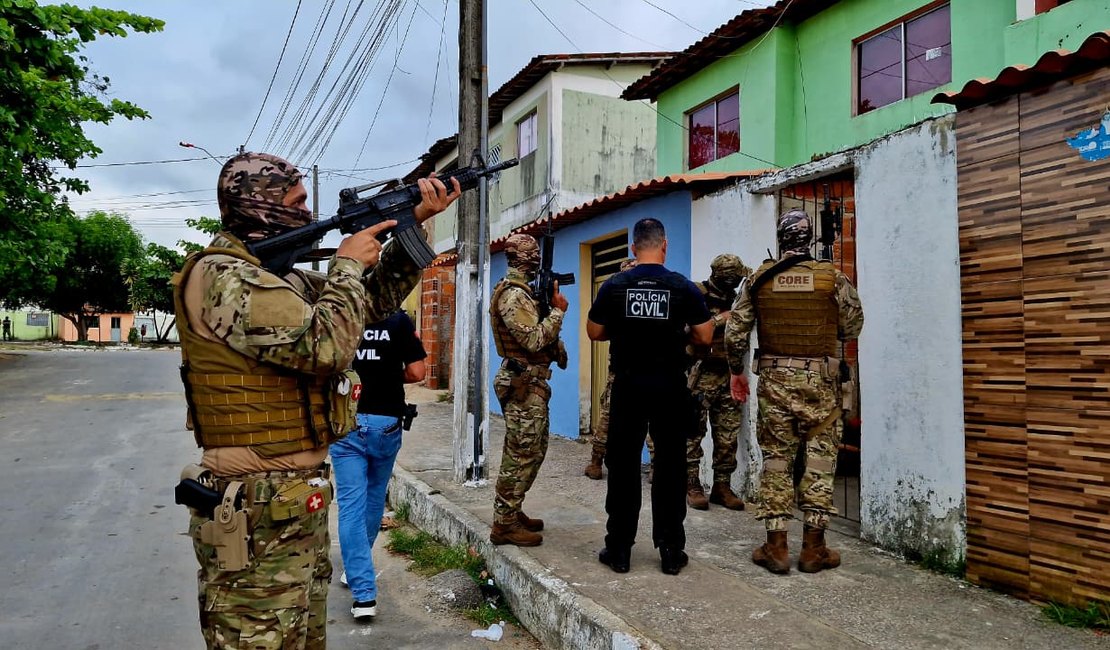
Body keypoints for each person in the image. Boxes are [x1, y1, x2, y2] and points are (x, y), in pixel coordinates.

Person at [173, 151, 459, 649]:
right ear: (258, 205)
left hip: (290, 500)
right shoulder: (222, 275)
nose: (308, 214)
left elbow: (366, 308)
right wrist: (346, 262)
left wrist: (410, 228)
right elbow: (326, 347)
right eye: (297, 201)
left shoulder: (281, 278)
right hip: (253, 505)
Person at [724, 209, 863, 575]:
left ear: (781, 239)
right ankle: (814, 550)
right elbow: (853, 326)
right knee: (818, 462)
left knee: (777, 462)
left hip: (773, 384)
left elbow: (735, 334)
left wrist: (737, 372)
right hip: (821, 385)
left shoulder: (758, 279)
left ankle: (777, 547)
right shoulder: (832, 278)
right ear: (809, 240)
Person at [587, 218, 714, 575]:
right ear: (664, 246)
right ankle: (671, 552)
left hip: (628, 386)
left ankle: (620, 550)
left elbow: (594, 331)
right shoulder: (681, 287)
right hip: (669, 387)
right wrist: (679, 335)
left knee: (624, 467)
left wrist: (624, 328)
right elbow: (705, 336)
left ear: (633, 248)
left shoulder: (615, 285)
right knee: (671, 467)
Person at [333, 310, 426, 621]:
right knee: (374, 499)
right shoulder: (398, 321)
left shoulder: (336, 314)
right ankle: (357, 567)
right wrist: (387, 373)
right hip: (386, 423)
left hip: (345, 421)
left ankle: (363, 593)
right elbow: (417, 372)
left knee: (349, 505)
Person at [488, 233, 568, 547]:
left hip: (531, 381)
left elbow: (541, 338)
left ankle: (512, 508)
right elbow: (533, 339)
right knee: (520, 454)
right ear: (527, 259)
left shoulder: (525, 294)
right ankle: (503, 524)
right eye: (533, 255)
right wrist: (559, 312)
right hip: (521, 383)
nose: (536, 260)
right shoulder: (512, 296)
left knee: (534, 450)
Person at [685, 253, 751, 510]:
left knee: (727, 434)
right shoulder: (695, 294)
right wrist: (718, 320)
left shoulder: (737, 299)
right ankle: (692, 483)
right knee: (693, 433)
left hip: (729, 373)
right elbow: (684, 331)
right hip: (699, 375)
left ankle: (722, 486)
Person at [584, 258, 637, 480]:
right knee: (651, 416)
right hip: (651, 367)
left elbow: (598, 330)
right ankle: (655, 467)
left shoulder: (614, 295)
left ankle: (596, 462)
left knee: (608, 415)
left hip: (621, 367)